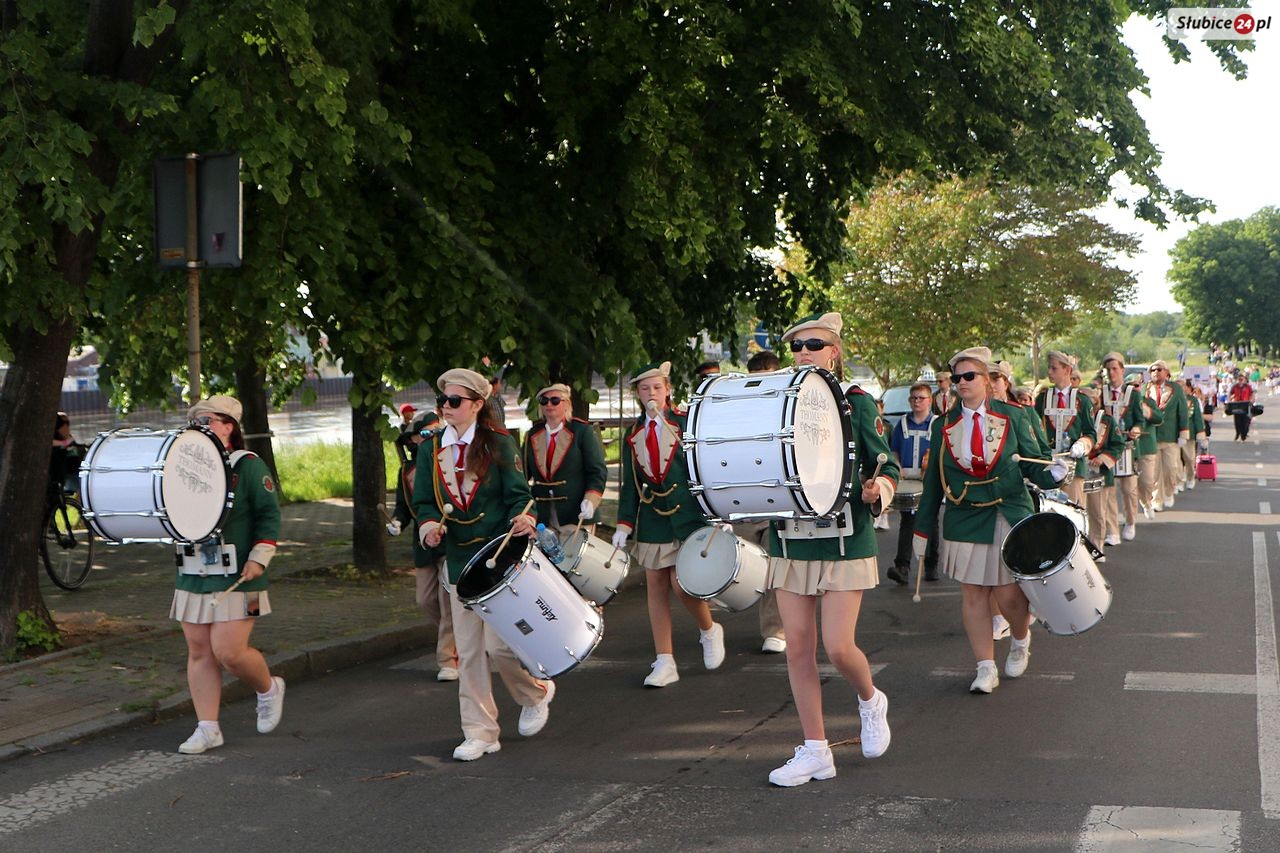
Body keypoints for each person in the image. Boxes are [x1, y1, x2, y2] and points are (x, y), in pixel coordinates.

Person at [762, 312, 899, 788]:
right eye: (797, 346)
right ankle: (816, 749)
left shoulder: (856, 402)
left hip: (845, 537)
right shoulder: (777, 401)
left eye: (814, 345)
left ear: (834, 351)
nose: (804, 352)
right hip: (791, 536)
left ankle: (870, 700)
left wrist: (878, 487)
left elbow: (886, 463)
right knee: (798, 647)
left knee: (839, 647)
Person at [414, 368, 555, 761]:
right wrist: (428, 527)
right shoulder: (430, 449)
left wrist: (524, 518)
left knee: (500, 646)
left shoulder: (498, 443)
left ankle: (536, 692)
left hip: (497, 558)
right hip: (460, 563)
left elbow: (520, 497)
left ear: (477, 405)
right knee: (470, 651)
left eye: (454, 401)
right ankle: (480, 732)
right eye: (442, 400)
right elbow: (424, 501)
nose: (446, 407)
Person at [914, 349, 1067, 695]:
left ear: (986, 379)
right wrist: (922, 528)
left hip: (1006, 510)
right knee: (973, 593)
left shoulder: (1014, 415)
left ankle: (1020, 640)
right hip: (964, 514)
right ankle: (985, 667)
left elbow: (1033, 462)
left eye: (969, 376)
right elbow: (933, 480)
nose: (962, 383)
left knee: (1008, 593)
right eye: (957, 378)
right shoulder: (943, 424)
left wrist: (1053, 474)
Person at [171, 395, 284, 755]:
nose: (200, 427)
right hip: (194, 571)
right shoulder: (180, 467)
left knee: (229, 652)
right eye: (196, 421)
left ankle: (268, 689)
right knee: (198, 650)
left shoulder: (248, 465)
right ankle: (208, 728)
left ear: (229, 427)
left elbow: (269, 516)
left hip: (241, 572)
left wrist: (260, 558)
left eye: (208, 420)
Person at [612, 361, 725, 687]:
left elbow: (706, 468)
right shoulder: (632, 434)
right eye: (645, 389)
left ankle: (709, 629)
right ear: (637, 393)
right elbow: (631, 484)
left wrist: (718, 510)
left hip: (688, 515)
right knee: (656, 587)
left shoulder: (686, 423)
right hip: (654, 517)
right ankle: (664, 660)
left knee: (681, 583)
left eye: (657, 388)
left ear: (668, 390)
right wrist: (623, 524)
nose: (652, 394)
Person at [389, 408, 458, 681]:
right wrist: (397, 522)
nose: (433, 436)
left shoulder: (449, 460)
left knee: (448, 601)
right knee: (425, 600)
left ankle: (449, 660)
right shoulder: (406, 471)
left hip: (450, 540)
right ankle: (462, 636)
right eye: (427, 433)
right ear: (414, 439)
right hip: (423, 545)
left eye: (437, 431)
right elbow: (403, 507)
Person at [732, 349, 787, 653]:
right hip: (744, 505)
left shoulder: (788, 411)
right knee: (746, 571)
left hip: (777, 504)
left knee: (774, 568)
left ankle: (775, 630)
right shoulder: (736, 414)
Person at [523, 383, 608, 537]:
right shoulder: (532, 434)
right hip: (543, 515)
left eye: (555, 400)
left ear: (567, 404)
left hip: (575, 512)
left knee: (575, 552)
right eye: (544, 401)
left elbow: (597, 470)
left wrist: (591, 499)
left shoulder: (582, 431)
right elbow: (523, 475)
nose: (549, 404)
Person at [887, 381, 938, 585]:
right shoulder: (902, 423)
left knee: (930, 522)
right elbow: (894, 450)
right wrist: (897, 465)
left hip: (929, 481)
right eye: (913, 398)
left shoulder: (937, 424)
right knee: (907, 522)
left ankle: (931, 565)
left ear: (929, 400)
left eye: (921, 398)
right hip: (908, 480)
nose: (917, 401)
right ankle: (902, 567)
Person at [1034, 351, 1096, 507]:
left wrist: (1082, 445)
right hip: (1047, 465)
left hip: (1074, 467)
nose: (1049, 372)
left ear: (1067, 370)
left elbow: (1090, 433)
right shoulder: (1042, 399)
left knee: (1073, 510)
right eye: (1049, 367)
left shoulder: (1082, 400)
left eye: (1054, 368)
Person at [1100, 353, 1146, 541]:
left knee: (1129, 490)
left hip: (1128, 448)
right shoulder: (1101, 393)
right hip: (1108, 449)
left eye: (1115, 369)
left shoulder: (1133, 394)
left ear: (1122, 370)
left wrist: (1136, 429)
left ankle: (1130, 521)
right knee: (1108, 489)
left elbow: (1140, 419)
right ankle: (1112, 531)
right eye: (1108, 369)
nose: (1111, 373)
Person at [1078, 386, 1126, 556]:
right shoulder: (1074, 418)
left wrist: (1103, 458)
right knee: (1078, 512)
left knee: (1098, 513)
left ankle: (1096, 548)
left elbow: (1118, 444)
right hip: (1078, 471)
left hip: (1099, 472)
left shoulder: (1106, 420)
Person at [1146, 360, 1189, 509]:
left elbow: (1183, 411)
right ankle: (1156, 500)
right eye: (1152, 370)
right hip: (1151, 436)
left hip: (1170, 436)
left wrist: (1183, 433)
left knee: (1171, 469)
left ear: (1166, 372)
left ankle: (1169, 492)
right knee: (1154, 472)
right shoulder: (1145, 389)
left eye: (1159, 370)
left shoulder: (1176, 389)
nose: (1155, 373)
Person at [1181, 382, 1206, 490]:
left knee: (1189, 458)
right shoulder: (1170, 399)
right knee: (1175, 460)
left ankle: (1190, 477)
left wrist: (1200, 433)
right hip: (1173, 434)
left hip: (1189, 434)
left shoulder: (1193, 400)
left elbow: (1197, 417)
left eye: (1183, 386)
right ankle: (1178, 480)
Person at [1229, 372, 1255, 441]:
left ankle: (1243, 435)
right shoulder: (1235, 386)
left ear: (1244, 380)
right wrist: (1230, 400)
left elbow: (1252, 394)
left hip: (1245, 405)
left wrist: (1252, 400)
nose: (1240, 381)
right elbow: (1230, 394)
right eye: (1239, 379)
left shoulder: (1248, 387)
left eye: (1241, 379)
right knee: (1237, 421)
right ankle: (1238, 433)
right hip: (1237, 405)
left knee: (1245, 421)